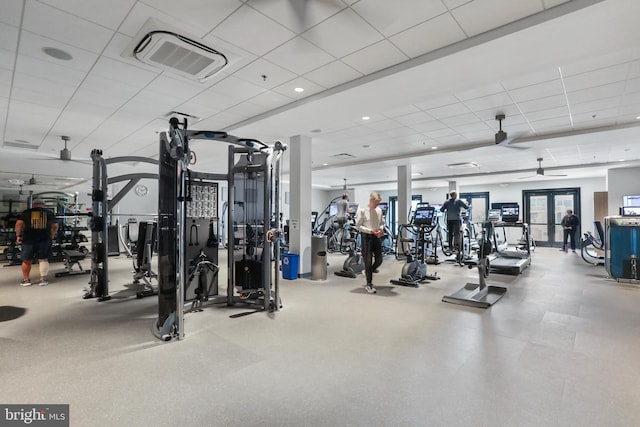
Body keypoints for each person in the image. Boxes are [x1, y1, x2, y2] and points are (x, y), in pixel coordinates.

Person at [14, 199, 59, 286]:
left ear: (33, 205)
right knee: (43, 259)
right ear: (43, 205)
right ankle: (43, 280)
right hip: (44, 239)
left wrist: (18, 235)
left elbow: (18, 224)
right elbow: (55, 225)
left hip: (28, 240)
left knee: (26, 260)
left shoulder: (26, 212)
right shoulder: (49, 212)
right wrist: (52, 235)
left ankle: (26, 280)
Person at [356, 192, 385, 294]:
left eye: (378, 203)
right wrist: (370, 231)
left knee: (379, 259)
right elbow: (358, 226)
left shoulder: (379, 210)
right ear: (371, 201)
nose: (377, 205)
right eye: (376, 202)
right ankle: (369, 284)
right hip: (366, 237)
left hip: (376, 237)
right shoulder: (362, 210)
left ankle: (367, 271)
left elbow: (381, 223)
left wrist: (380, 229)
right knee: (368, 261)